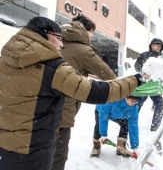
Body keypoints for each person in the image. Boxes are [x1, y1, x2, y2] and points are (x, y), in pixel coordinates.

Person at [0, 16, 145, 170]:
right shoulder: (53, 67)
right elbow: (100, 89)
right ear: (44, 34)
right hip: (37, 142)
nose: (61, 45)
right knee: (58, 158)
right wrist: (135, 80)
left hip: (6, 142)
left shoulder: (5, 59)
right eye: (58, 39)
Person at [52, 14, 117, 170]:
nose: (92, 36)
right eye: (91, 32)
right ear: (84, 29)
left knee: (40, 151)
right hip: (62, 109)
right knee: (58, 156)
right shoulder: (82, 50)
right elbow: (108, 75)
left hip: (39, 105)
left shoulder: (53, 41)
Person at [134, 38, 163, 132]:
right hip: (144, 85)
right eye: (157, 44)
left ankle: (155, 128)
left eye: (160, 45)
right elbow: (137, 67)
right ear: (151, 45)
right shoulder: (144, 55)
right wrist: (144, 74)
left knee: (160, 106)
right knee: (137, 105)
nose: (159, 46)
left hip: (155, 86)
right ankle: (131, 125)